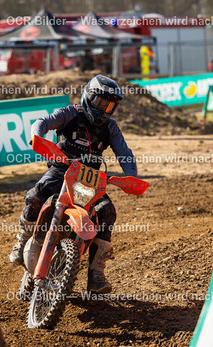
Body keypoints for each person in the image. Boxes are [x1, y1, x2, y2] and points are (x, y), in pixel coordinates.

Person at [9, 75, 137, 294]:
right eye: (100, 102)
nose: (104, 109)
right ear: (88, 96)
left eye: (109, 106)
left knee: (107, 212)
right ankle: (22, 242)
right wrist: (37, 137)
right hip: (61, 170)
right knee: (35, 196)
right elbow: (43, 122)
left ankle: (96, 274)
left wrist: (131, 176)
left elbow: (124, 153)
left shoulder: (111, 127)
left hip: (90, 179)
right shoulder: (70, 113)